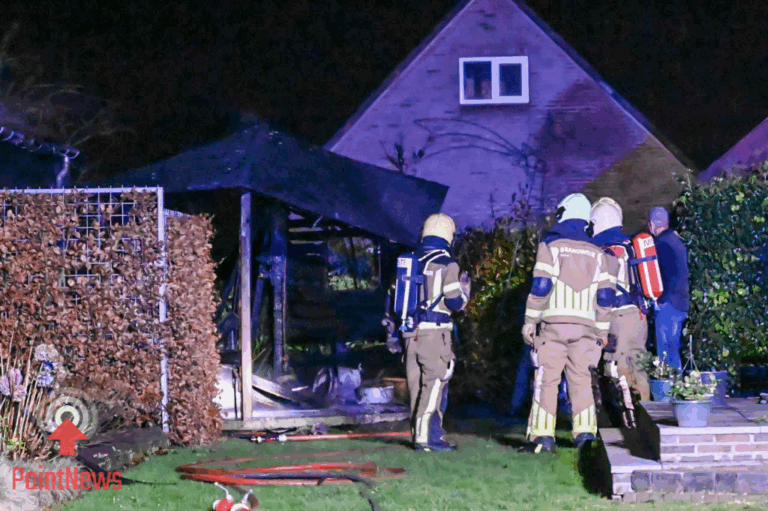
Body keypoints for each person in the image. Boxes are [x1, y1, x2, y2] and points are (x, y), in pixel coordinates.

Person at [520, 193, 616, 453]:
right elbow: (605, 297)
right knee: (582, 379)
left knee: (546, 379)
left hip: (553, 326)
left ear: (563, 214)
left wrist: (530, 321)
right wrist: (602, 332)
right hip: (586, 329)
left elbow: (541, 286)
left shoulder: (550, 246)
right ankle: (585, 434)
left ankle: (542, 437)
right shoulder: (598, 253)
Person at [397, 213, 471, 452]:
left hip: (410, 334)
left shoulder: (410, 261)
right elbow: (454, 302)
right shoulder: (447, 264)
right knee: (435, 383)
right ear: (449, 236)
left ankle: (419, 434)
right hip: (435, 335)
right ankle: (427, 438)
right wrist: (466, 292)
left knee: (417, 388)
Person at [590, 198, 651, 401]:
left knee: (618, 370)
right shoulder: (631, 245)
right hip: (639, 316)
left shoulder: (600, 249)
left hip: (616, 318)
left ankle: (629, 416)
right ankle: (646, 412)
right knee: (639, 367)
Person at [648, 206, 689, 372]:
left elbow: (665, 275)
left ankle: (669, 385)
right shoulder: (676, 240)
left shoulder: (660, 243)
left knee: (666, 354)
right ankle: (677, 383)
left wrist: (660, 300)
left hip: (668, 305)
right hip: (681, 303)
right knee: (673, 349)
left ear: (652, 224)